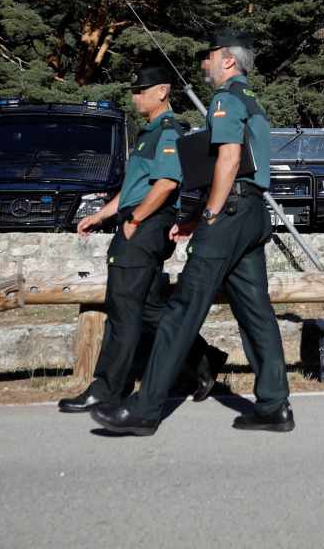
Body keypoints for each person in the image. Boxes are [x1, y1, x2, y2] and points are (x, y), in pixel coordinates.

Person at [92, 30, 293, 436]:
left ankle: (145, 410)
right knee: (256, 312)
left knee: (181, 309)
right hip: (253, 214)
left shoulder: (226, 99)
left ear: (229, 61)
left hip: (231, 213)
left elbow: (230, 158)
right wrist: (200, 214)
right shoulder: (252, 101)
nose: (203, 63)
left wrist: (211, 214)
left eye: (209, 55)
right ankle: (274, 405)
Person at [57, 64, 226, 415]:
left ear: (162, 92)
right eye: (134, 91)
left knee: (122, 311)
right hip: (141, 222)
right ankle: (202, 361)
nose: (135, 96)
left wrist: (134, 219)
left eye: (141, 90)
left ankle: (107, 389)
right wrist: (101, 215)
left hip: (144, 227)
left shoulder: (167, 131)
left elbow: (166, 184)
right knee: (150, 311)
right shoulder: (149, 132)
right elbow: (135, 187)